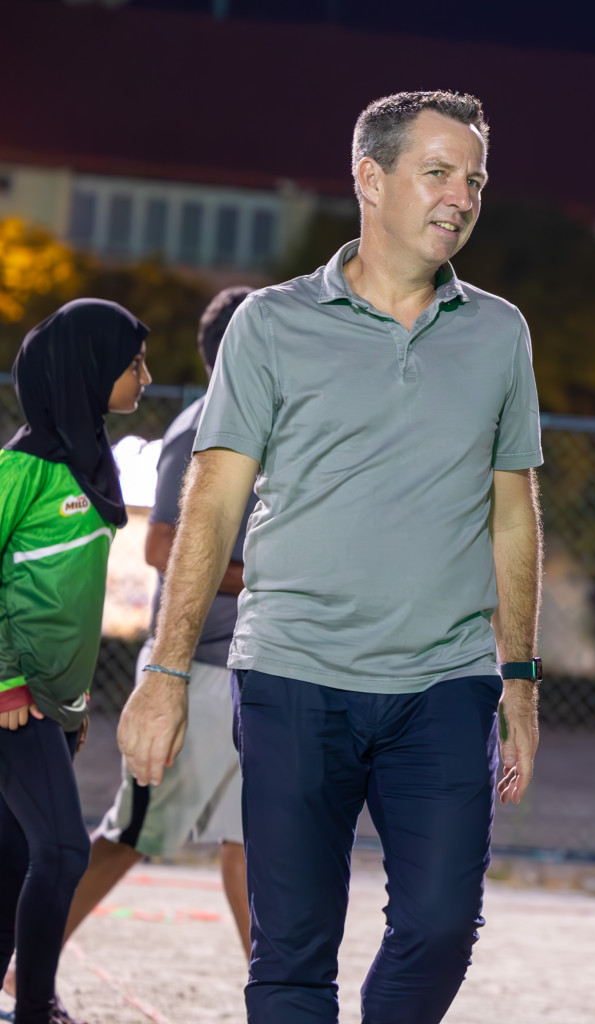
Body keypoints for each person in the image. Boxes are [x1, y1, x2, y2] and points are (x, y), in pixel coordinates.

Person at [115, 90, 543, 1024]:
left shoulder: (499, 332)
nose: (461, 196)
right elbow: (212, 502)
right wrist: (166, 669)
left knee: (439, 928)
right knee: (292, 953)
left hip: (446, 682)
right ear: (369, 177)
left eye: (473, 178)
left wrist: (520, 678)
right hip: (293, 675)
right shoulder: (270, 324)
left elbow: (515, 515)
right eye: (437, 172)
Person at [58, 288, 257, 969]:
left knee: (251, 841)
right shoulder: (204, 425)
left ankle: (284, 1001)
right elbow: (159, 547)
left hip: (254, 671)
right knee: (131, 832)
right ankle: (21, 961)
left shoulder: (274, 426)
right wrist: (264, 579)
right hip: (194, 672)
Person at [0, 299, 151, 1024]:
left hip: (49, 706)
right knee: (61, 850)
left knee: (11, 861)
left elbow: (71, 602)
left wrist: (72, 702)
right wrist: (8, 684)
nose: (145, 376)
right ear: (88, 370)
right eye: (134, 363)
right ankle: (34, 1008)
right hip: (8, 700)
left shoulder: (91, 470)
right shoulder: (20, 471)